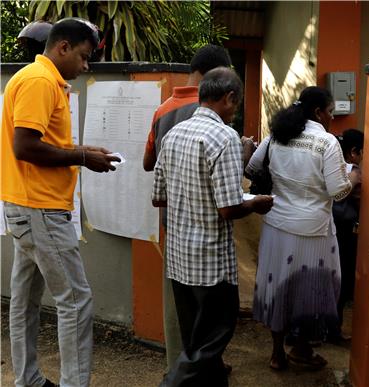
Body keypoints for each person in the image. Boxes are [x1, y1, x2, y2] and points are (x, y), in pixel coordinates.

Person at [1, 17, 120, 387]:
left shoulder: (35, 78)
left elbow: (40, 141)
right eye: (84, 57)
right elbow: (26, 147)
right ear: (63, 47)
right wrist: (83, 158)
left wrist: (81, 150)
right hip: (40, 210)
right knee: (76, 301)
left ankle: (28, 379)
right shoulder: (39, 82)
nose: (86, 66)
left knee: (25, 300)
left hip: (26, 206)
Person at [152, 67, 273, 387]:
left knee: (195, 341)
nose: (235, 111)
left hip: (179, 260)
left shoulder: (174, 134)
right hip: (210, 264)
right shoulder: (225, 137)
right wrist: (256, 203)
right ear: (229, 98)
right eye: (236, 104)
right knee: (210, 342)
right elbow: (228, 208)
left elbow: (159, 198)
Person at [142, 44, 240, 372]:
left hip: (177, 234)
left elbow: (149, 166)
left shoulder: (164, 111)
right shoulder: (224, 133)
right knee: (211, 325)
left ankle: (181, 366)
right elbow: (228, 204)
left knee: (180, 314)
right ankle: (190, 373)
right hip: (210, 246)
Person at [246, 86, 358, 371]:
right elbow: (338, 191)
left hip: (276, 225)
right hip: (313, 231)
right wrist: (354, 178)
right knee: (311, 291)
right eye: (331, 112)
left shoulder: (278, 134)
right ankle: (302, 349)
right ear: (319, 112)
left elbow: (253, 167)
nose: (332, 118)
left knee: (279, 287)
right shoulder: (326, 142)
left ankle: (276, 353)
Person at [328, 128, 364, 344]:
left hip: (329, 227)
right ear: (353, 152)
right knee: (341, 281)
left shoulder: (332, 167)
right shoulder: (355, 172)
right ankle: (334, 330)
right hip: (344, 231)